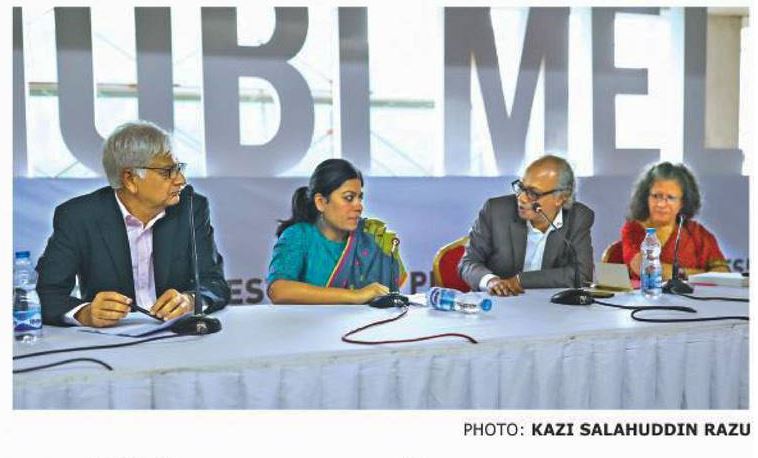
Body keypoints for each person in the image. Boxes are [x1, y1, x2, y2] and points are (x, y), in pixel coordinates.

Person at [36, 121, 230, 327]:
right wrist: (85, 313)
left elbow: (214, 283)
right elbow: (45, 294)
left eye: (179, 168)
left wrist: (190, 300)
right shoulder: (78, 217)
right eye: (167, 171)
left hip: (178, 333)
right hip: (109, 338)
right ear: (130, 179)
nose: (181, 180)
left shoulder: (191, 207)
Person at [267, 159, 406, 304]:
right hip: (309, 319)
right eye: (349, 198)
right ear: (321, 202)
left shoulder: (371, 237)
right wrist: (356, 295)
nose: (359, 206)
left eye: (360, 198)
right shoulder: (299, 235)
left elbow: (390, 292)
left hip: (365, 320)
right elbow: (278, 291)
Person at [459, 155, 594, 296]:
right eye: (521, 188)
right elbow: (468, 263)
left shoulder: (578, 218)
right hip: (500, 302)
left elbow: (581, 275)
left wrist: (520, 281)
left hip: (550, 306)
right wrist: (490, 281)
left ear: (561, 198)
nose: (521, 198)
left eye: (533, 193)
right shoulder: (495, 211)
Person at [621, 162, 729, 280]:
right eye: (656, 196)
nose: (661, 204)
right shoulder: (634, 229)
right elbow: (647, 268)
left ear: (683, 202)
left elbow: (722, 272)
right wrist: (696, 274)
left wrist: (676, 273)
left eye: (670, 198)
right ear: (646, 197)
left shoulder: (696, 233)